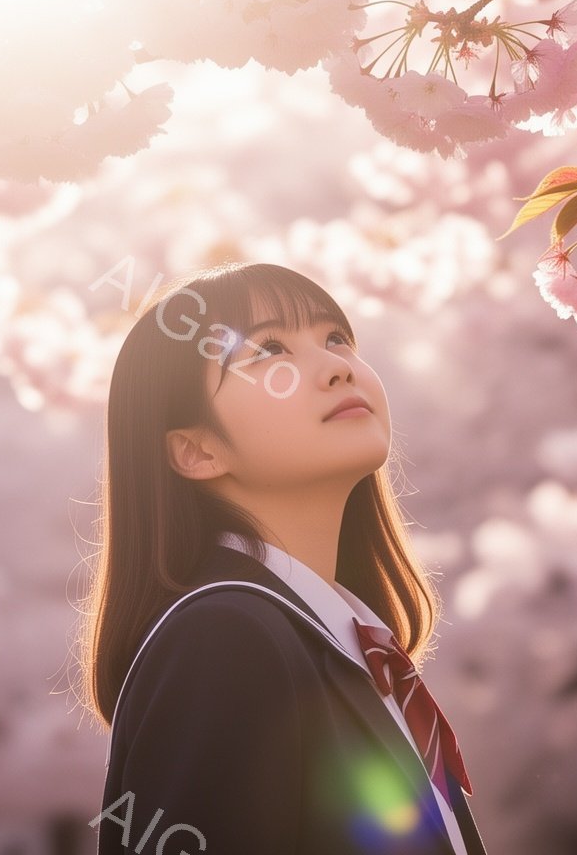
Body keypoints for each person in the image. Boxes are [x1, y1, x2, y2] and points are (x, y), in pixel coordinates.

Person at [78, 261, 489, 855]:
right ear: (197, 449)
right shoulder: (222, 638)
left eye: (336, 338)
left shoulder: (345, 643)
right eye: (268, 350)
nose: (337, 367)